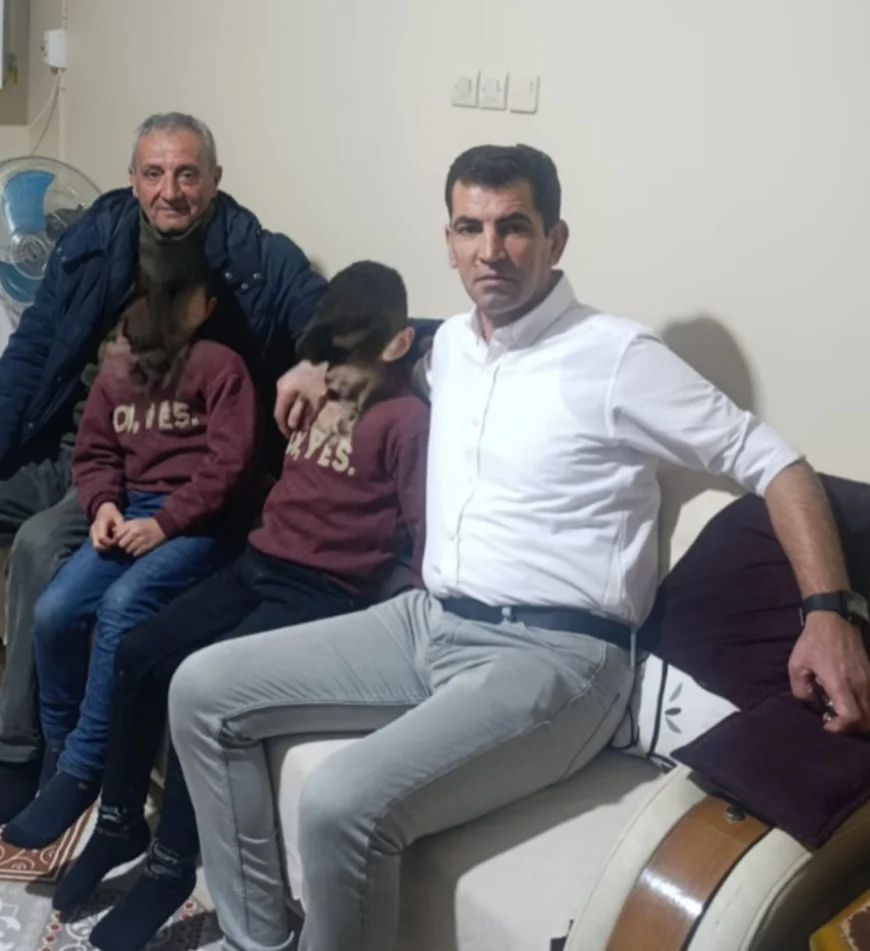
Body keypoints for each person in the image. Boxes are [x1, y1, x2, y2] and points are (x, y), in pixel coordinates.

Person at [168, 144, 870, 951]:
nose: (490, 250)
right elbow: (404, 343)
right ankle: (258, 938)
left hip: (559, 657)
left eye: (514, 227)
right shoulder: (454, 347)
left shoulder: (618, 358)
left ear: (555, 238)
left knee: (339, 805)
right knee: (201, 690)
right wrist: (315, 364)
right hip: (428, 622)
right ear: (449, 241)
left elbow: (775, 462)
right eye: (470, 228)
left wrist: (829, 612)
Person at [45, 262, 429, 951]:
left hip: (325, 591)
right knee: (137, 649)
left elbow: (426, 527)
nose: (334, 365)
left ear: (399, 345)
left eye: (351, 351)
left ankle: (172, 863)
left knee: (201, 685)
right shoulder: (317, 387)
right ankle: (120, 821)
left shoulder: (407, 420)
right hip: (259, 560)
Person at [0, 111, 326, 823]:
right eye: (154, 173)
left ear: (215, 179)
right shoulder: (95, 235)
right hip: (76, 441)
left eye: (186, 174)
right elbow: (36, 344)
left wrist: (316, 359)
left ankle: (22, 754)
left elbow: (323, 316)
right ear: (132, 179)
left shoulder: (256, 257)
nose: (169, 190)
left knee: (39, 548)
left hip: (150, 472)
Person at [1, 249, 262, 850]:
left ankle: (84, 767)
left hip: (201, 523)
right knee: (55, 609)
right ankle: (59, 753)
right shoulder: (120, 369)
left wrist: (166, 524)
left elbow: (231, 467)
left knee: (122, 605)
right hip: (132, 508)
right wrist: (103, 506)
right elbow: (94, 452)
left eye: (180, 301)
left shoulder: (222, 367)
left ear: (206, 308)